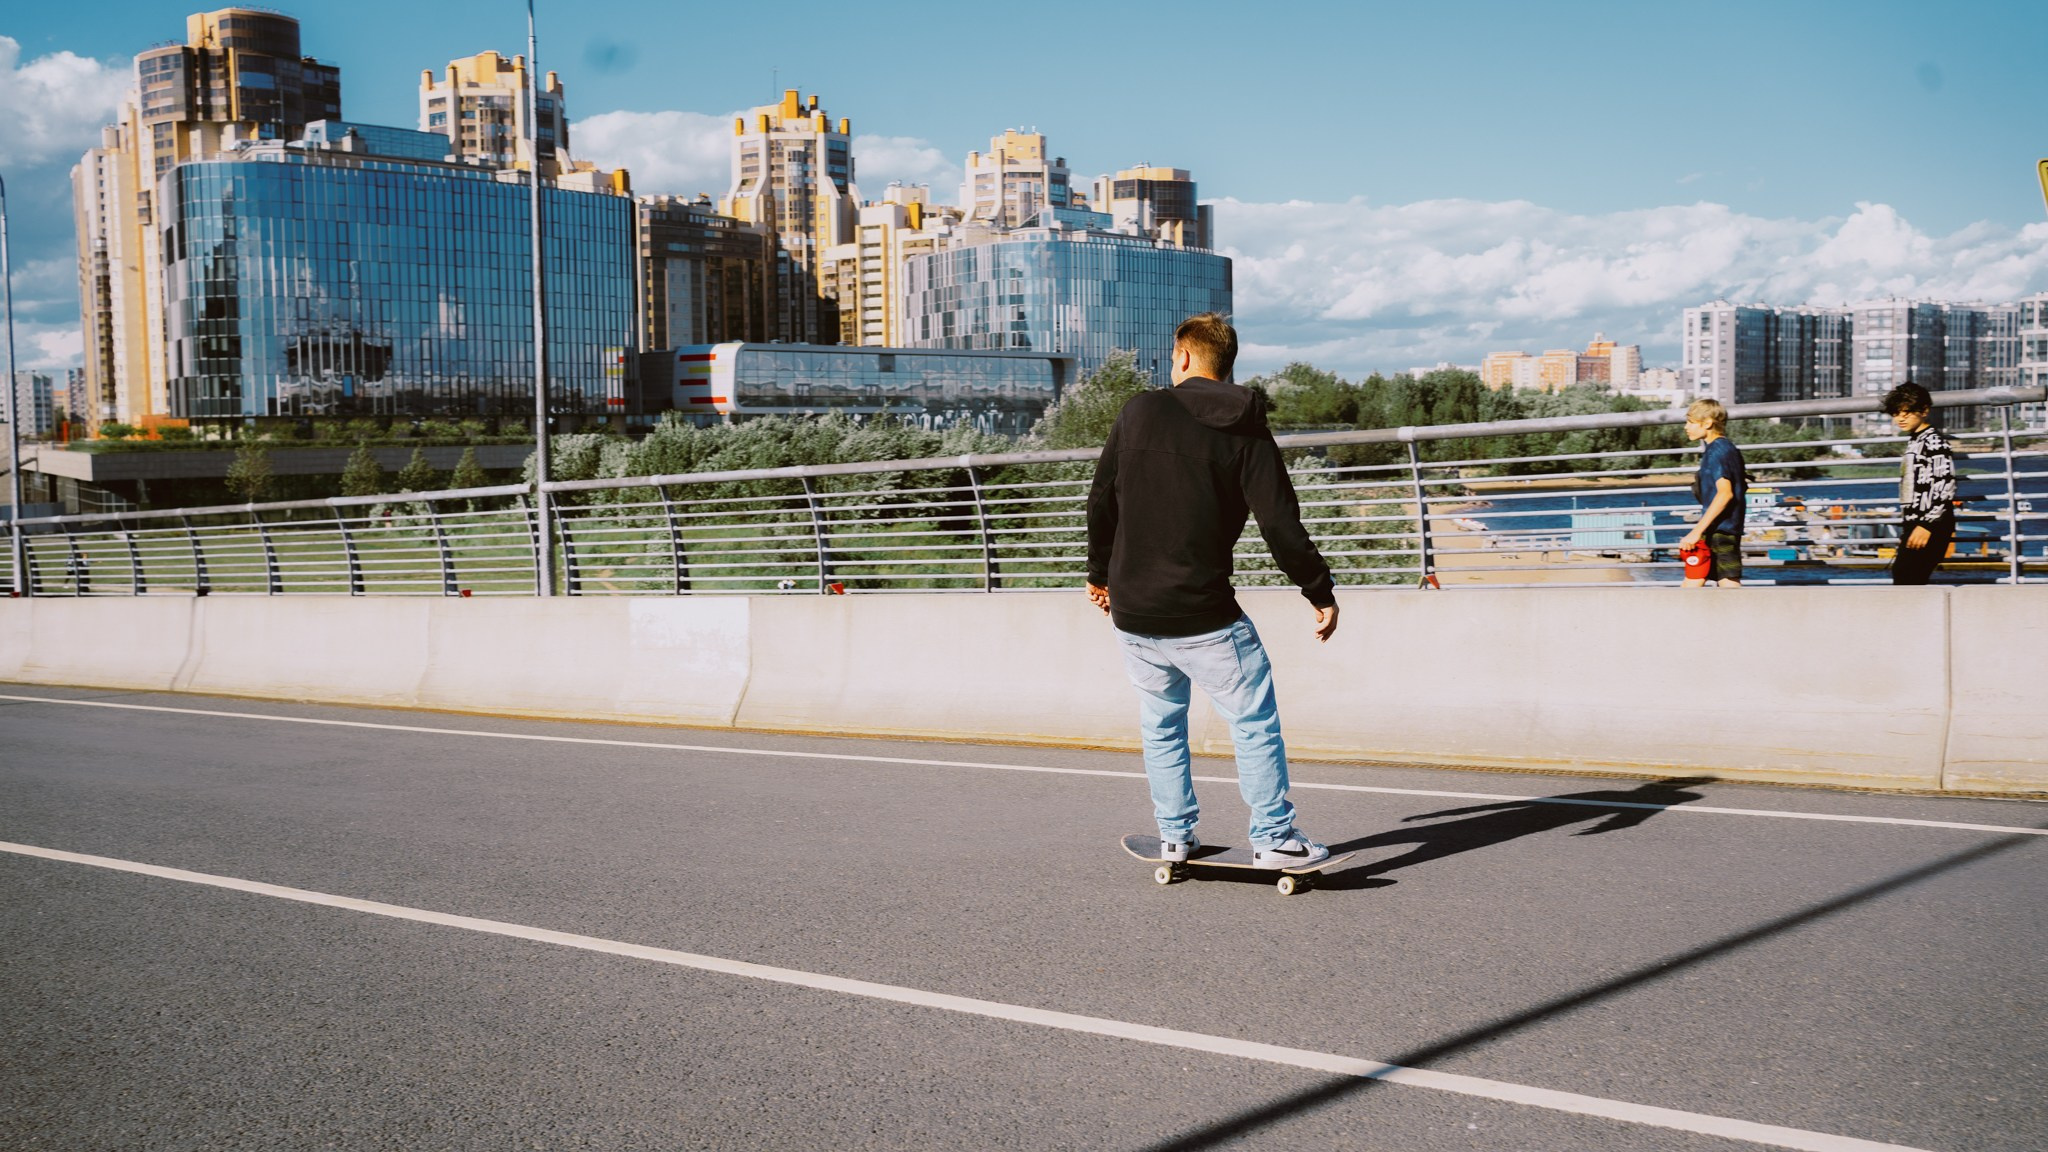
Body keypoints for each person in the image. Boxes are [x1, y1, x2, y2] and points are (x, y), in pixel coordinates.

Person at [1084, 313, 1339, 869]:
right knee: (1252, 721)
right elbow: (1280, 524)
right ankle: (1274, 837)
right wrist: (1318, 590)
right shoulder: (1246, 428)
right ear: (1225, 365)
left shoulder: (1138, 412)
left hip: (1134, 611)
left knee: (1161, 724)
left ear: (1182, 357)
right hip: (1203, 613)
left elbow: (1102, 499)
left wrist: (1100, 574)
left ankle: (1175, 836)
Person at [1882, 382, 1955, 586]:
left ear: (1924, 411)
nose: (1900, 418)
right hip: (1917, 523)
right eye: (1896, 413)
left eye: (1907, 413)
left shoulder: (1934, 441)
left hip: (1930, 523)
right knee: (1906, 576)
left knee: (1907, 578)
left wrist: (1926, 525)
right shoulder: (1916, 440)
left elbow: (1945, 483)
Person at [1677, 398, 1746, 588]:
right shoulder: (1724, 448)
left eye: (1691, 422)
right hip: (1721, 528)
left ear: (1707, 423)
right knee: (1701, 579)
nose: (1686, 427)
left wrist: (1696, 532)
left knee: (1724, 583)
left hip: (1720, 530)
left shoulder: (1718, 451)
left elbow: (1725, 494)